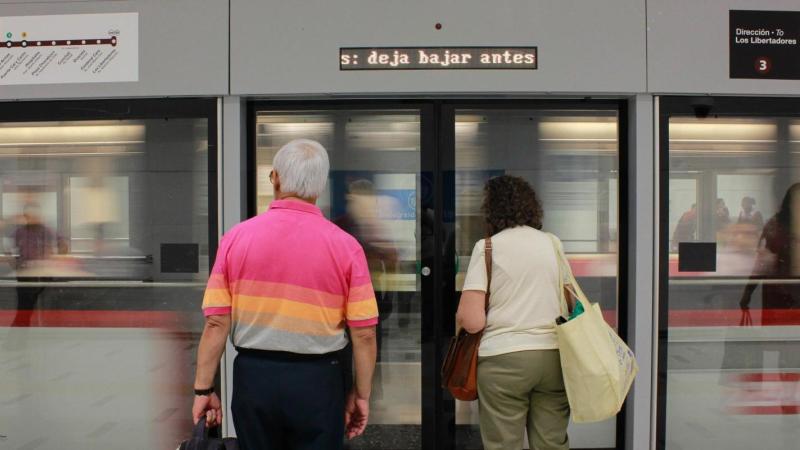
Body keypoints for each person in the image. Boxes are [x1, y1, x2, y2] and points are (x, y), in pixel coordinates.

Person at [191, 139, 379, 450]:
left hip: (254, 377)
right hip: (319, 381)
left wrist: (203, 390)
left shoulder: (236, 239)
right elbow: (365, 334)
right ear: (319, 187)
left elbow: (216, 324)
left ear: (275, 177)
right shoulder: (346, 247)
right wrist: (361, 395)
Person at [456, 175, 572, 450]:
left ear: (491, 210)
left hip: (503, 361)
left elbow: (472, 321)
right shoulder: (553, 244)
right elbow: (570, 302)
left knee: (503, 444)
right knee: (552, 443)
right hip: (554, 357)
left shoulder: (488, 247)